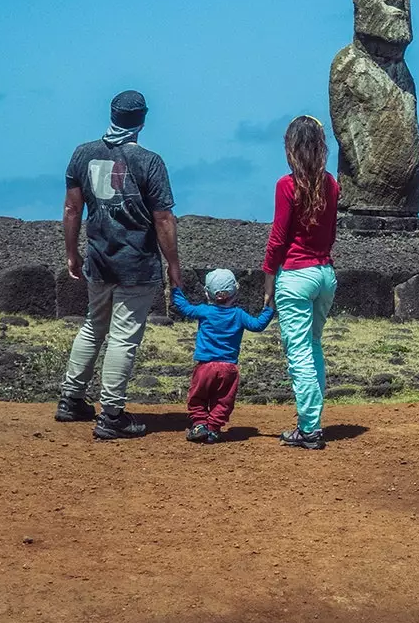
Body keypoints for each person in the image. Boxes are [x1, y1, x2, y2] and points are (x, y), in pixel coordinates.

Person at [56, 90, 182, 440]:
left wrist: (72, 252)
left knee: (93, 325)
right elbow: (163, 218)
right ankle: (112, 414)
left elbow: (71, 209)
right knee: (124, 337)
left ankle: (71, 398)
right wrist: (173, 266)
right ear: (143, 120)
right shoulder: (149, 161)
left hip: (99, 257)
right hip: (136, 262)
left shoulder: (83, 154)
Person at [263, 115, 339, 451]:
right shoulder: (331, 184)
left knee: (300, 353)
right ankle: (311, 421)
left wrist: (268, 277)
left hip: (296, 275)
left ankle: (310, 428)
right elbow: (331, 232)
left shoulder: (287, 185)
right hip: (324, 273)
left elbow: (278, 238)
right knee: (314, 345)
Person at [171, 269, 273, 443]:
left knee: (198, 397)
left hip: (205, 366)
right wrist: (269, 307)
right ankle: (213, 428)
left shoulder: (204, 311)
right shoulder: (239, 315)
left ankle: (199, 424)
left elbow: (183, 307)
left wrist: (176, 288)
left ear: (207, 292)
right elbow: (257, 325)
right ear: (236, 290)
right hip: (228, 368)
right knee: (223, 401)